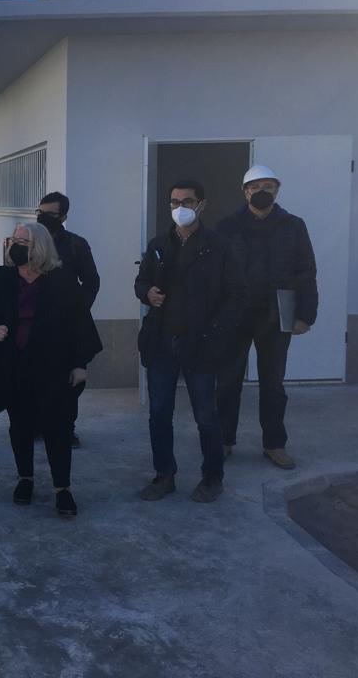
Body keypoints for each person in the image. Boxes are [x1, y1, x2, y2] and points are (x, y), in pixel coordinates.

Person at [0, 223, 101, 518]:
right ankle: (24, 479)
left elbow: (80, 323)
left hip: (54, 367)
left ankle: (62, 488)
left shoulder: (62, 281)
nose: (14, 245)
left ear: (40, 246)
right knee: (21, 427)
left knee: (58, 428)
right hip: (14, 366)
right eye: (13, 240)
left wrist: (80, 363)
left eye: (22, 241)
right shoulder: (0, 278)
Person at [135, 180, 246, 503]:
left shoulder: (219, 247)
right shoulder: (159, 245)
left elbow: (237, 295)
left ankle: (213, 477)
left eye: (187, 201)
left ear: (201, 205)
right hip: (162, 343)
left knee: (205, 416)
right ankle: (164, 475)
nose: (179, 207)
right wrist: (146, 292)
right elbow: (141, 281)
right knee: (159, 413)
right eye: (174, 202)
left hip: (200, 344)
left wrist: (215, 333)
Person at [215, 165, 317, 470]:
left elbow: (306, 270)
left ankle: (274, 444)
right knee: (228, 381)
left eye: (269, 186)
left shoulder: (293, 225)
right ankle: (223, 441)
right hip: (235, 315)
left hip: (276, 314)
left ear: (277, 190)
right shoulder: (226, 226)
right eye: (256, 186)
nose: (262, 191)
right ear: (245, 191)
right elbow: (214, 274)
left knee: (273, 383)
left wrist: (305, 315)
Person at [36, 191, 100, 448]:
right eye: (40, 213)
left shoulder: (76, 244)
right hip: (35, 323)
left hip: (66, 325)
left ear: (63, 216)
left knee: (70, 380)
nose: (43, 219)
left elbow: (92, 281)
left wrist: (78, 310)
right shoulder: (29, 240)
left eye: (50, 214)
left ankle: (66, 427)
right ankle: (36, 424)